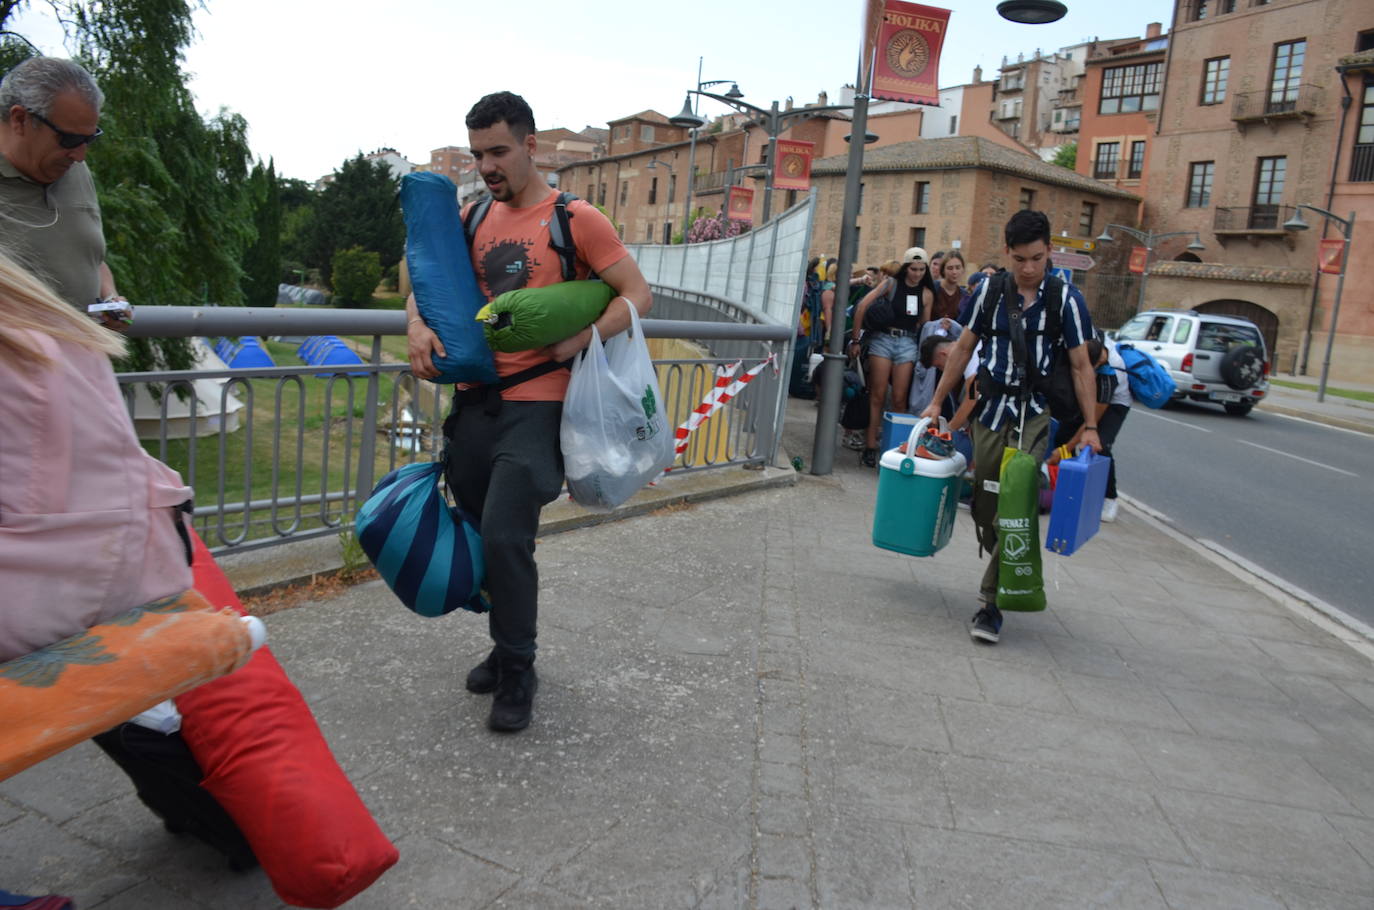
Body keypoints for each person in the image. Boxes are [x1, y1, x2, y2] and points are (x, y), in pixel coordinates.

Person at [405, 92, 652, 733]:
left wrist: (574, 343)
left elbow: (636, 294)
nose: (487, 164)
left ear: (530, 144)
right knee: (485, 535)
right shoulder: (469, 217)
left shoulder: (575, 218)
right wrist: (414, 327)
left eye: (499, 151)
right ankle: (502, 641)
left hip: (538, 407)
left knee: (507, 535)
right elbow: (420, 280)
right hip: (473, 406)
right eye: (478, 152)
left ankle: (519, 668)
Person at [920, 211, 1100, 645]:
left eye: (1037, 258)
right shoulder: (990, 293)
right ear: (1007, 251)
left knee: (1015, 502)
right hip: (990, 410)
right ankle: (999, 566)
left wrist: (1091, 425)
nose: (1029, 268)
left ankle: (991, 604)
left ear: (1049, 251)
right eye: (1020, 258)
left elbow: (1081, 365)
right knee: (986, 506)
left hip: (1035, 415)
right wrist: (937, 401)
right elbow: (963, 349)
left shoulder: (1066, 299)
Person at [0, 57, 131, 330]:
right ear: (20, 120)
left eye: (89, 139)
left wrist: (109, 298)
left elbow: (89, 255)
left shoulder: (71, 166)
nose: (81, 156)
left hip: (78, 361)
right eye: (70, 140)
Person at [850, 249, 934, 467]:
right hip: (883, 339)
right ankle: (870, 445)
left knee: (899, 398)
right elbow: (862, 306)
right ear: (906, 268)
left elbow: (923, 327)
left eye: (921, 269)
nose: (916, 273)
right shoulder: (891, 284)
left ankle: (895, 448)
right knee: (877, 395)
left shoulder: (926, 293)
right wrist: (856, 339)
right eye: (913, 269)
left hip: (907, 342)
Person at [931, 250, 966, 322]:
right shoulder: (933, 289)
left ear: (962, 269)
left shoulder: (964, 295)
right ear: (943, 270)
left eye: (958, 267)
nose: (954, 272)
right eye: (950, 268)